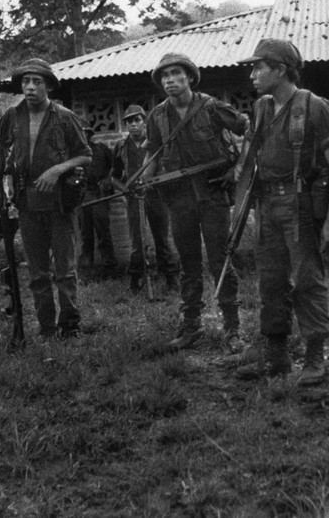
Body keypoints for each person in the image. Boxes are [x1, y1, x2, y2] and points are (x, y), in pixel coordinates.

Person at [233, 39, 329, 386]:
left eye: (259, 67)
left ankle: (315, 358)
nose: (252, 75)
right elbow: (248, 162)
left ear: (281, 70)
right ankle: (276, 357)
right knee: (270, 281)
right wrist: (238, 212)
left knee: (307, 281)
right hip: (266, 205)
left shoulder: (312, 105)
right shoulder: (262, 108)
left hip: (299, 205)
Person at [142, 52, 247, 351]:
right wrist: (144, 180)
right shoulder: (157, 116)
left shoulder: (211, 106)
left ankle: (232, 329)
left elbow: (248, 129)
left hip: (212, 193)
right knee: (188, 263)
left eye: (176, 74)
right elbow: (154, 152)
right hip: (178, 198)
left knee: (219, 260)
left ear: (189, 77)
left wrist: (237, 168)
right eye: (164, 76)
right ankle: (191, 327)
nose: (170, 80)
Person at [0, 58, 92, 339]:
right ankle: (46, 328)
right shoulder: (12, 116)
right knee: (37, 272)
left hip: (60, 202)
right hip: (27, 203)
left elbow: (85, 154)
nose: (30, 87)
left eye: (37, 82)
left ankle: (69, 325)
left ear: (48, 86)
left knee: (65, 270)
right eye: (25, 82)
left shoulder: (64, 116)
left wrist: (57, 170)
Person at [111, 105, 180, 293]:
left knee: (162, 239)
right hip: (134, 198)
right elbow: (114, 176)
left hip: (156, 196)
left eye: (137, 120)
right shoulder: (121, 147)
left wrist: (154, 182)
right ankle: (136, 280)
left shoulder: (154, 145)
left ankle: (172, 279)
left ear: (144, 122)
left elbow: (167, 168)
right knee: (137, 242)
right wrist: (124, 188)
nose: (133, 125)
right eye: (129, 121)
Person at [78, 126, 118, 281]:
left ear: (90, 134)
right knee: (85, 235)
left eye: (86, 133)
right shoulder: (74, 153)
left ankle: (110, 269)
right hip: (82, 195)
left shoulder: (101, 149)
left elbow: (115, 165)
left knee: (103, 231)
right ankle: (87, 272)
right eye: (81, 133)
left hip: (100, 193)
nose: (84, 136)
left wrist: (108, 178)